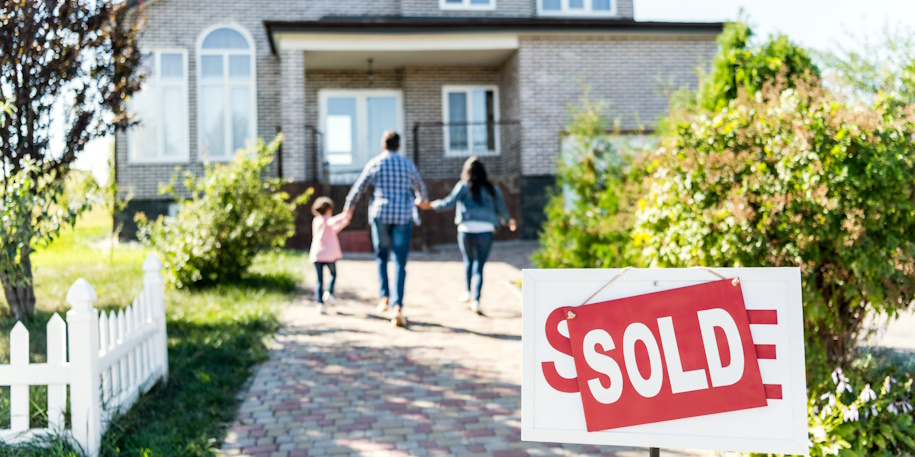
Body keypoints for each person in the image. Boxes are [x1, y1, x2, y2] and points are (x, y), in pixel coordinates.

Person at [344, 130, 428, 327]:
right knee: (400, 260)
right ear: (399, 146)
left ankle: (384, 298)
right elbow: (421, 188)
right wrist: (421, 200)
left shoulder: (376, 162)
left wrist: (349, 208)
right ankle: (398, 307)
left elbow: (359, 187)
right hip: (403, 215)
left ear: (383, 146)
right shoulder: (407, 164)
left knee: (381, 256)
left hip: (380, 214)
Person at [418, 157, 516, 314]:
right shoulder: (492, 188)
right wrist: (509, 221)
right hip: (485, 230)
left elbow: (448, 203)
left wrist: (429, 205)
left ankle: (468, 292)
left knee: (468, 261)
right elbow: (502, 209)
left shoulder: (463, 187)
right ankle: (476, 300)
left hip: (466, 230)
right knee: (479, 266)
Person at [309, 196, 351, 315]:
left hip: (317, 254)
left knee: (319, 280)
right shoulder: (326, 220)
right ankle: (328, 293)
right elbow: (332, 222)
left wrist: (344, 222)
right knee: (333, 274)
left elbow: (334, 228)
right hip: (329, 255)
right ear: (327, 209)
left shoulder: (316, 221)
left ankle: (320, 304)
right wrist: (345, 214)